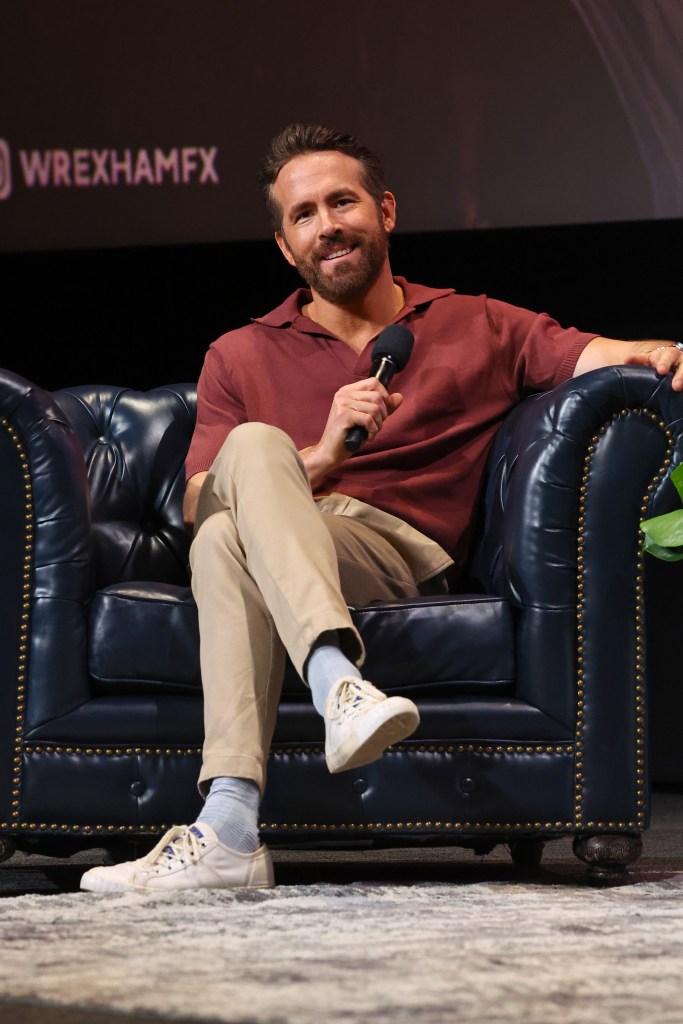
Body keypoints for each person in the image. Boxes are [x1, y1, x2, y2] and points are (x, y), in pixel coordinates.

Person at [80, 123, 683, 894]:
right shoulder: (240, 351)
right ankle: (325, 699)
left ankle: (232, 824)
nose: (326, 224)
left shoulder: (475, 321)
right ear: (284, 245)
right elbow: (199, 501)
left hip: (397, 553)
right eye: (303, 215)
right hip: (291, 530)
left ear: (385, 211)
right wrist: (327, 453)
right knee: (229, 519)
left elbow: (587, 353)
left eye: (341, 202)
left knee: (236, 515)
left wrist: (659, 350)